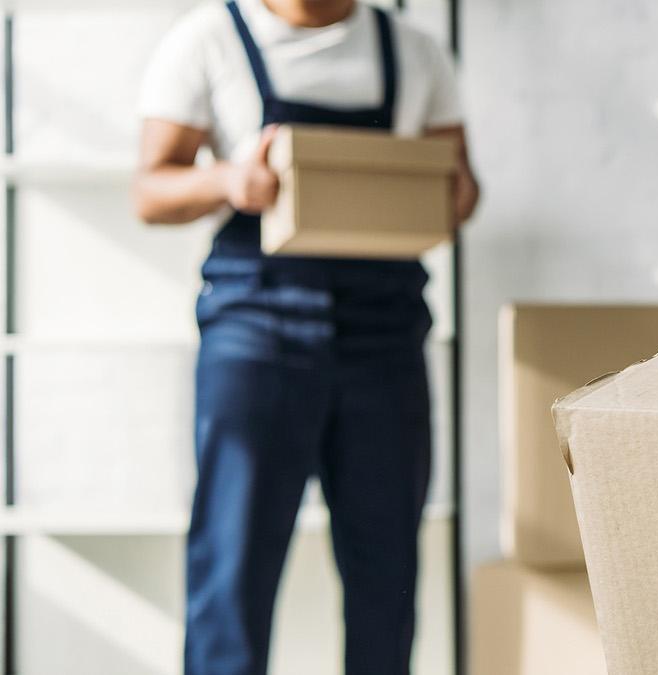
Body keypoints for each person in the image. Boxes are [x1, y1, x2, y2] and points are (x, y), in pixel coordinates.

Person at [131, 0, 477, 672]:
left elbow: (460, 190)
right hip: (255, 331)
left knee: (388, 573)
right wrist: (232, 180)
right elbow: (150, 190)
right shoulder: (206, 42)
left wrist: (439, 189)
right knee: (232, 569)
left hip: (385, 336)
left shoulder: (416, 53)